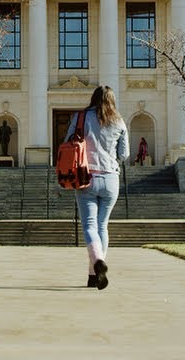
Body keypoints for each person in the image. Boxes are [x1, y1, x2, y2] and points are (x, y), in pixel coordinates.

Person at [65, 85, 129, 290]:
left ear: (93, 98)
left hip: (87, 176)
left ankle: (98, 262)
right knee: (102, 225)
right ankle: (94, 276)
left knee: (90, 226)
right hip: (111, 179)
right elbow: (124, 154)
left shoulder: (80, 117)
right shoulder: (119, 121)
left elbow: (67, 142)